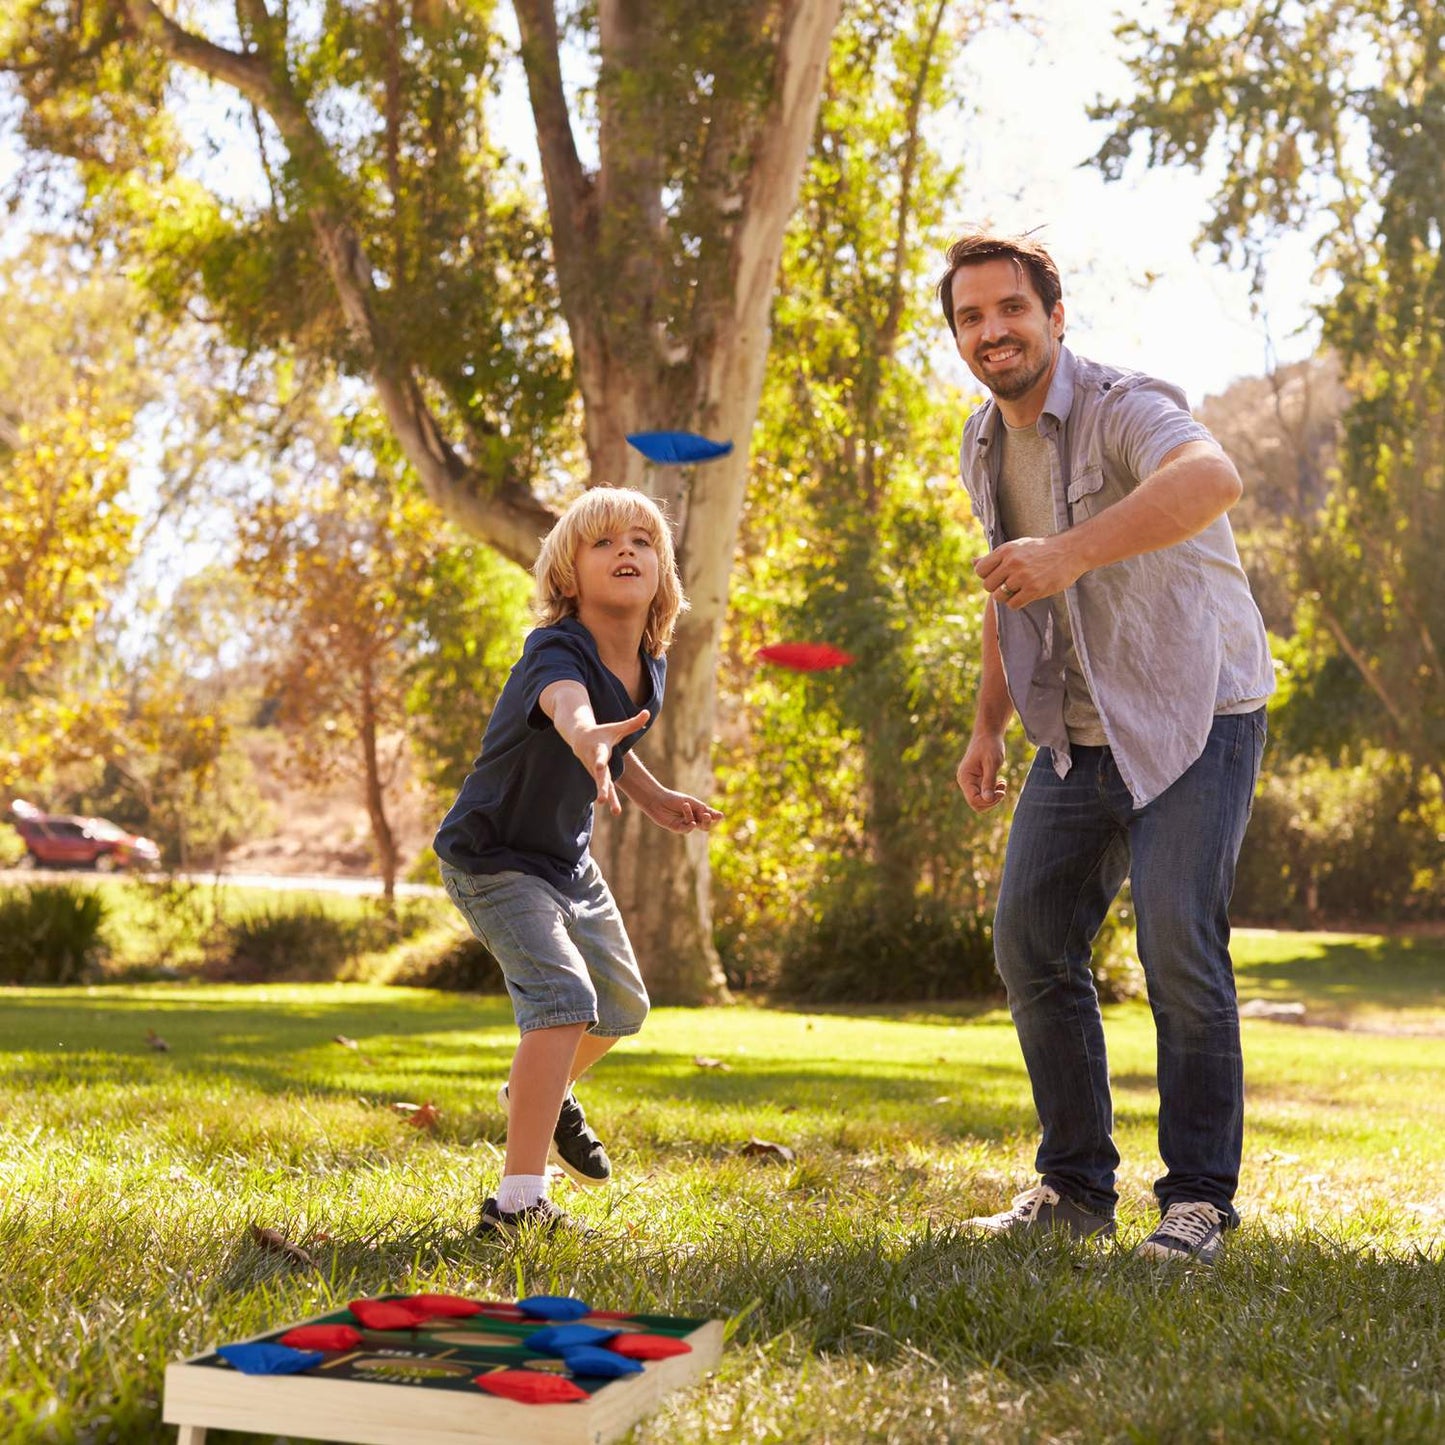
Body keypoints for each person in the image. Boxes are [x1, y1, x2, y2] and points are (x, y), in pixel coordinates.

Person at [939, 231, 1273, 1263]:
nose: (991, 330)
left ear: (1052, 315)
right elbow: (1014, 590)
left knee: (1176, 941)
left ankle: (1198, 1200)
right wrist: (988, 720)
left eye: (1009, 308)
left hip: (1193, 710)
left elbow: (1211, 476)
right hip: (1077, 731)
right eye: (969, 316)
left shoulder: (1124, 405)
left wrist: (1068, 551)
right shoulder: (981, 445)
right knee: (1030, 941)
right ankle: (1075, 1186)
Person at [434, 486, 723, 1237]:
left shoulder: (648, 663)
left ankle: (539, 1089)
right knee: (562, 998)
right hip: (493, 856)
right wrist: (585, 734)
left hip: (565, 863)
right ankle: (515, 1204)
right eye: (603, 542)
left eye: (641, 540)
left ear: (662, 568)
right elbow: (573, 711)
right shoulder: (555, 650)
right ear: (567, 574)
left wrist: (653, 794)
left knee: (623, 1006)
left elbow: (612, 742)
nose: (626, 550)